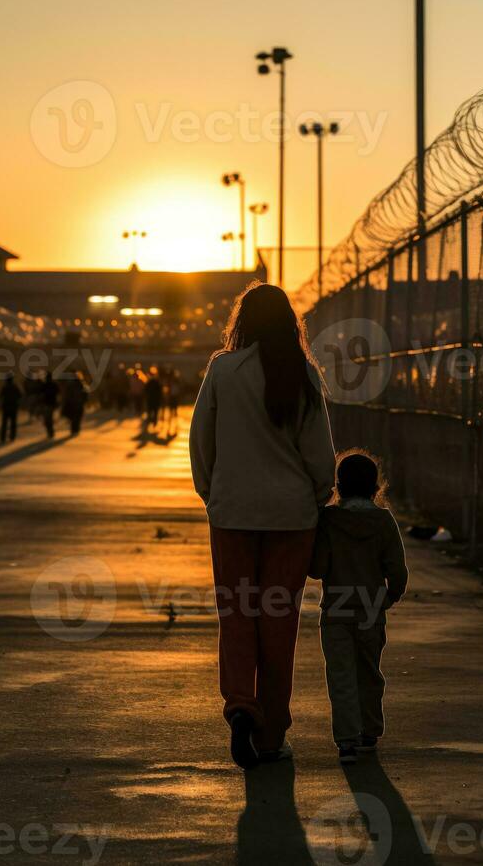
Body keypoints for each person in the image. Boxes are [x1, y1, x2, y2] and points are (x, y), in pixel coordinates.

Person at [189, 281, 335, 770]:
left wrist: (212, 492)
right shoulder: (303, 373)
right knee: (279, 621)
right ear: (290, 323)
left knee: (237, 612)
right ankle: (272, 734)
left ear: (242, 322)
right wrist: (317, 498)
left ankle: (239, 707)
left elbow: (201, 438)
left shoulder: (223, 370)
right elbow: (319, 451)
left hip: (233, 513)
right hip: (292, 517)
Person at [309, 450, 408, 765]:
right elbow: (397, 571)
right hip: (370, 612)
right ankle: (370, 732)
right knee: (369, 673)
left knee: (341, 677)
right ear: (375, 486)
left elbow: (318, 568)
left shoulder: (329, 520)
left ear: (338, 485)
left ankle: (347, 742)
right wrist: (387, 600)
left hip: (336, 612)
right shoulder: (383, 521)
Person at [0, 374, 22, 443]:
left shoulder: (5, 387)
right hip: (13, 407)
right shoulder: (15, 387)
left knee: (4, 423)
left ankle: (3, 437)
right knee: (13, 423)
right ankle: (12, 436)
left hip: (6, 407)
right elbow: (20, 396)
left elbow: (1, 397)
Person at [41, 371, 59, 439]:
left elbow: (40, 394)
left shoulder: (45, 385)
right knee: (49, 419)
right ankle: (50, 432)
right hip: (50, 404)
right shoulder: (53, 385)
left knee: (48, 419)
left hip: (47, 404)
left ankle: (50, 432)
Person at [144, 366, 162, 431]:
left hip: (152, 400)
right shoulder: (155, 383)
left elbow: (145, 391)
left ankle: (152, 422)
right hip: (154, 400)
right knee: (154, 412)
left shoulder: (150, 383)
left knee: (151, 412)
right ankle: (153, 422)